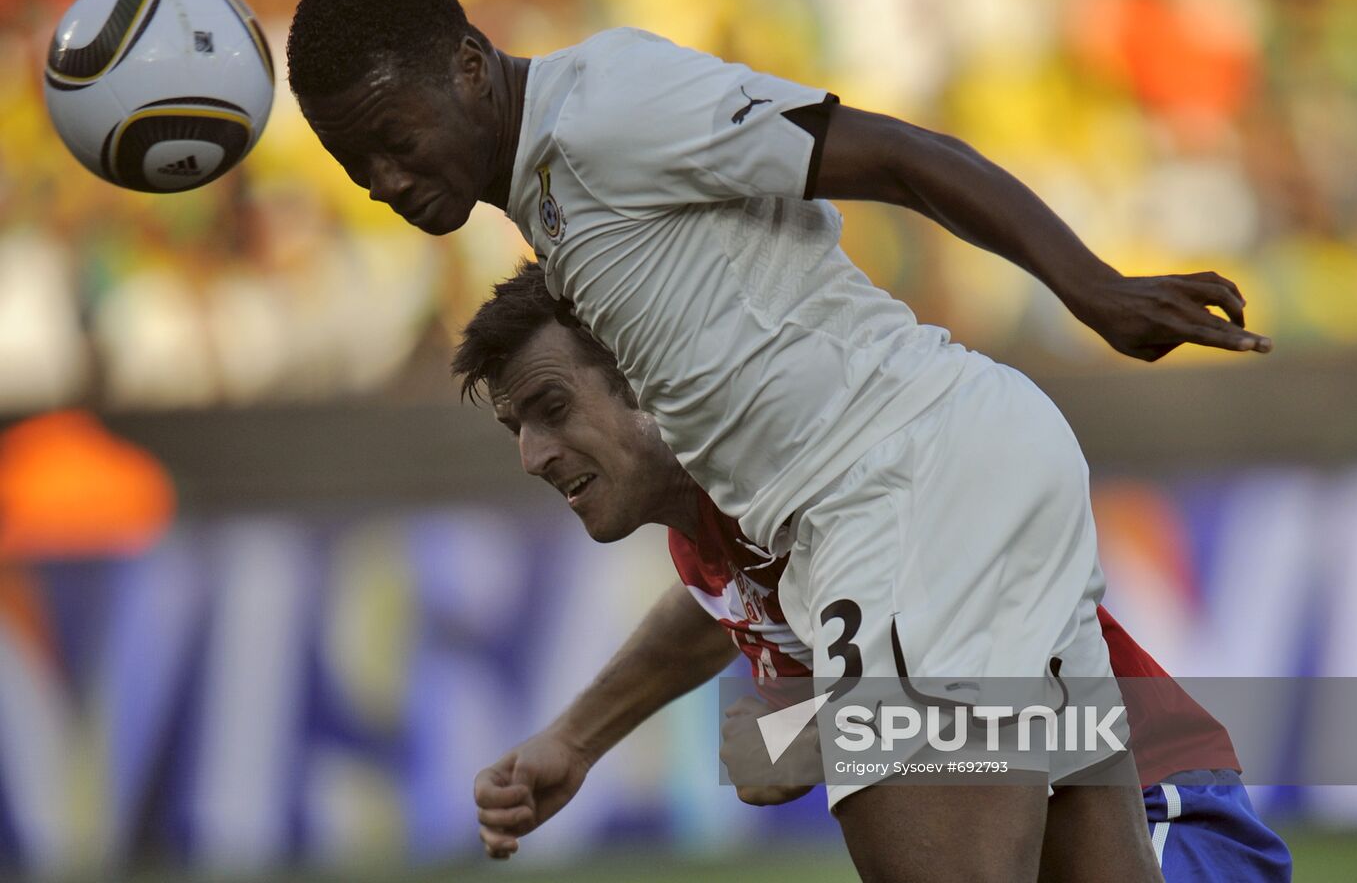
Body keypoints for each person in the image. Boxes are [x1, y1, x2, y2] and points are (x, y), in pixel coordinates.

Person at [287, 0, 1272, 882]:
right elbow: (718, 630)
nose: (381, 181)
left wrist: (1091, 288)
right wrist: (579, 740)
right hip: (940, 477)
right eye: (352, 164)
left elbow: (893, 154)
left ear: (468, 69)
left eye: (395, 142)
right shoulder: (553, 186)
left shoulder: (604, 105)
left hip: (899, 484)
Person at [455, 262, 1292, 881]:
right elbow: (707, 610)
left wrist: (801, 735)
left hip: (1159, 805)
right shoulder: (709, 533)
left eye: (553, 409)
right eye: (513, 428)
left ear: (641, 380)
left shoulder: (831, 477)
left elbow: (962, 690)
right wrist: (575, 738)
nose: (531, 455)